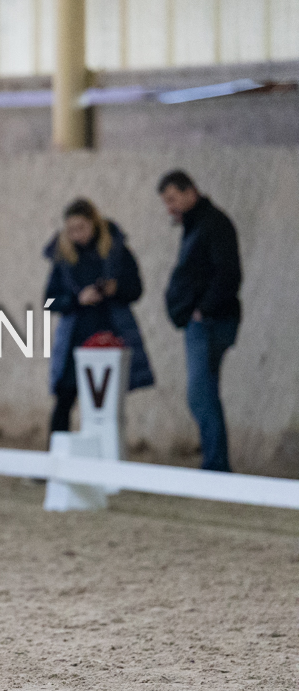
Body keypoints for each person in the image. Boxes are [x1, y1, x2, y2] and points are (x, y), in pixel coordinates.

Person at [44, 198, 154, 434]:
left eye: (81, 228)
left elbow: (136, 289)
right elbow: (48, 301)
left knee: (106, 405)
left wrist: (116, 289)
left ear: (94, 224)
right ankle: (57, 453)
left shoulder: (116, 251)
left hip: (110, 337)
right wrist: (77, 299)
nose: (77, 235)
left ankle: (104, 452)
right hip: (74, 340)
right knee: (64, 399)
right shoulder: (63, 258)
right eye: (71, 230)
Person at [158, 170, 242, 472]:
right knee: (205, 392)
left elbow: (228, 274)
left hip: (210, 322)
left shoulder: (212, 224)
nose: (170, 207)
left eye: (172, 199)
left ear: (190, 191)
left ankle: (216, 465)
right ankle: (214, 461)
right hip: (204, 320)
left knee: (200, 394)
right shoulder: (197, 225)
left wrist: (203, 310)